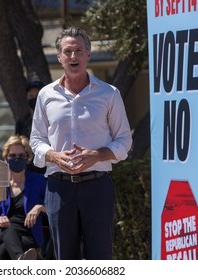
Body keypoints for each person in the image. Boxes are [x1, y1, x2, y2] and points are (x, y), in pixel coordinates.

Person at [30, 27, 133, 260]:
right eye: (68, 51)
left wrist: (97, 155)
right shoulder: (46, 95)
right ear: (59, 57)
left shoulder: (109, 94)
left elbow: (124, 140)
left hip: (97, 187)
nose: (73, 56)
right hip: (59, 188)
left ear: (88, 55)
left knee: (100, 258)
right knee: (65, 259)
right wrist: (53, 156)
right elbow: (36, 140)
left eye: (79, 51)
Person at [0, 135, 46, 260]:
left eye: (21, 156)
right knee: (9, 231)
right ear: (5, 158)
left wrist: (39, 207)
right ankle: (20, 259)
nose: (16, 159)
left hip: (27, 235)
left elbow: (53, 207)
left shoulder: (38, 181)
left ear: (28, 158)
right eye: (12, 156)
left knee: (4, 249)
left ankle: (18, 259)